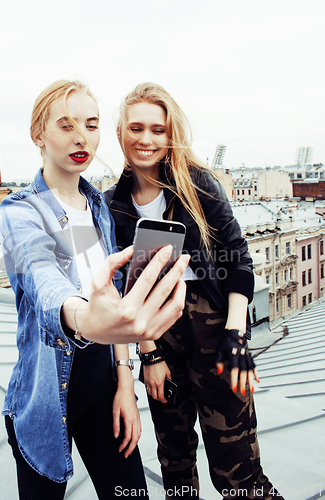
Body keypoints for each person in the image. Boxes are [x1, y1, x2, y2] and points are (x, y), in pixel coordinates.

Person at [0, 80, 189, 500]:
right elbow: (41, 277)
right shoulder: (21, 211)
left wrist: (124, 381)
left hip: (104, 389)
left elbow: (114, 293)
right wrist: (84, 318)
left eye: (91, 125)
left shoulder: (99, 206)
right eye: (66, 126)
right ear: (39, 134)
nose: (81, 137)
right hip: (47, 399)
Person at [104, 83, 283, 500]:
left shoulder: (199, 186)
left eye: (157, 129)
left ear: (171, 135)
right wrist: (149, 354)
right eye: (136, 128)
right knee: (176, 466)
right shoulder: (113, 204)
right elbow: (123, 290)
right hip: (161, 345)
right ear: (121, 133)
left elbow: (238, 259)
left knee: (240, 476)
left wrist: (237, 336)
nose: (146, 139)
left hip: (219, 339)